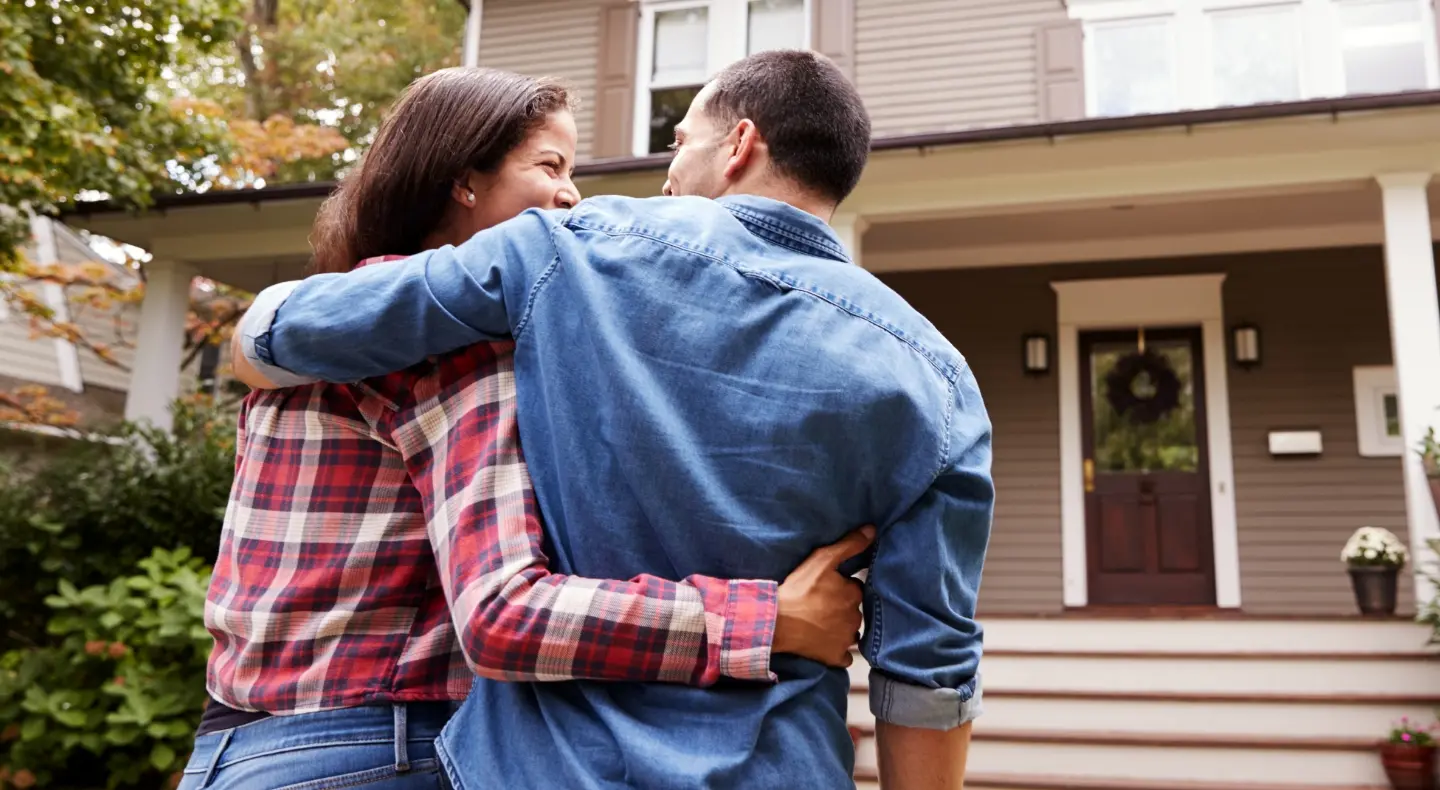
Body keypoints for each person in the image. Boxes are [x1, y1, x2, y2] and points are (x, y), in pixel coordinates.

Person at [232, 50, 993, 790]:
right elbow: (928, 668)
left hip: (548, 766)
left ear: (739, 145)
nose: (666, 172)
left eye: (680, 141)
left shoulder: (567, 253)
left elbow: (297, 329)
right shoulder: (941, 382)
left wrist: (253, 338)